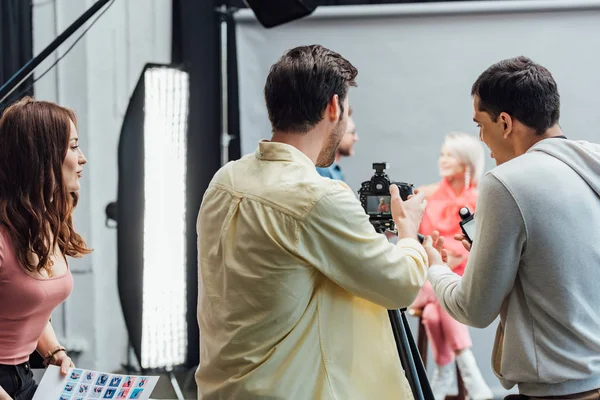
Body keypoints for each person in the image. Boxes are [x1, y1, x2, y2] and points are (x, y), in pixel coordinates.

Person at [195, 45, 439, 399]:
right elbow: (398, 285)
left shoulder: (224, 181)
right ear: (333, 107)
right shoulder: (318, 196)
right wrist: (408, 233)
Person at [426, 56, 600, 399]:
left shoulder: (506, 182)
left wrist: (434, 267)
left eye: (481, 125)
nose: (482, 140)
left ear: (505, 123)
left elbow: (473, 309)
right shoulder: (591, 162)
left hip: (558, 391)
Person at [0, 97, 90, 400]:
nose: (82, 158)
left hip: (23, 379)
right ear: (41, 157)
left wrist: (54, 352)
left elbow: (25, 306)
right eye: (74, 146)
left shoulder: (42, 224)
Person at [412, 132, 492, 400]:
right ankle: (470, 373)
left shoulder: (481, 197)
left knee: (435, 313)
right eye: (442, 153)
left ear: (467, 162)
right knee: (441, 290)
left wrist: (448, 256)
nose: (443, 160)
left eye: (450, 154)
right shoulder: (429, 194)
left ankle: (444, 373)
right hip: (432, 274)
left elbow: (473, 248)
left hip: (462, 276)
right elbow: (423, 242)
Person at [316, 105, 358, 181]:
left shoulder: (334, 171)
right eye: (352, 132)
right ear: (336, 132)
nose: (356, 138)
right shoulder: (323, 173)